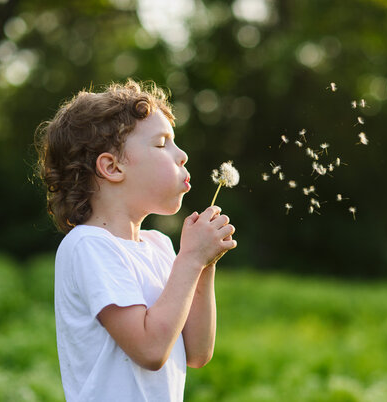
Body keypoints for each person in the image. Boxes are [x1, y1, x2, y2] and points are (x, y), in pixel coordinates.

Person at [35, 79, 237, 401]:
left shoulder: (159, 245)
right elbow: (151, 349)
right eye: (161, 144)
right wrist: (190, 259)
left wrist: (204, 263)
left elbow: (197, 352)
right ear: (112, 167)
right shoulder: (88, 246)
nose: (181, 155)